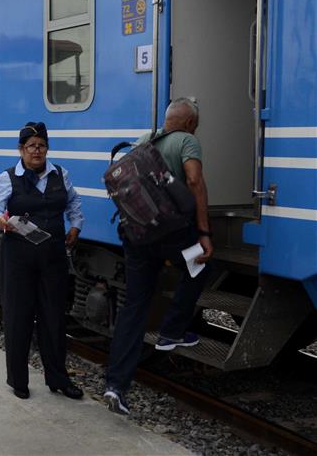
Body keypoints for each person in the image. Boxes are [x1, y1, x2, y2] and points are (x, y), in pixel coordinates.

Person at [104, 98, 213, 415]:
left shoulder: (144, 140)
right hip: (172, 236)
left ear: (167, 120)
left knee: (135, 306)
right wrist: (204, 232)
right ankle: (172, 331)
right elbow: (194, 180)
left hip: (137, 237)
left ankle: (115, 386)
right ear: (191, 123)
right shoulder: (188, 141)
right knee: (200, 265)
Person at [0, 122, 84, 401]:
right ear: (21, 149)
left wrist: (76, 225)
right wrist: (1, 220)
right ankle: (18, 380)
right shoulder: (6, 178)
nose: (36, 151)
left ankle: (58, 379)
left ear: (47, 147)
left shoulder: (61, 175)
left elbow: (74, 203)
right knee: (19, 318)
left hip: (52, 258)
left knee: (54, 318)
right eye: (30, 146)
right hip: (19, 259)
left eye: (41, 145)